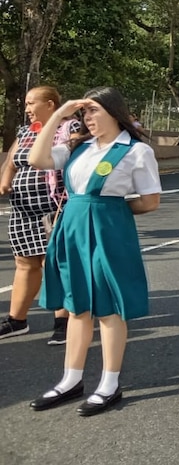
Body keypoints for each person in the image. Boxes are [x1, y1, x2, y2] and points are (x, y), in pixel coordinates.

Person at [26, 87, 161, 415]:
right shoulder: (77, 147)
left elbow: (149, 200)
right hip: (71, 230)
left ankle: (109, 383)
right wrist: (59, 114)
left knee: (108, 308)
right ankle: (70, 379)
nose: (88, 118)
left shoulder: (136, 151)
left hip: (108, 233)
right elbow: (36, 158)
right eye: (84, 113)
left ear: (114, 112)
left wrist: (110, 212)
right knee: (76, 307)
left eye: (94, 111)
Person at [0, 87, 78, 344]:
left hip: (54, 208)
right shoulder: (25, 131)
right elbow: (12, 161)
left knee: (54, 264)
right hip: (23, 210)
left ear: (51, 104)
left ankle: (63, 321)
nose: (27, 109)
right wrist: (5, 180)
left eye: (31, 103)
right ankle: (16, 320)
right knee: (24, 263)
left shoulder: (70, 128)